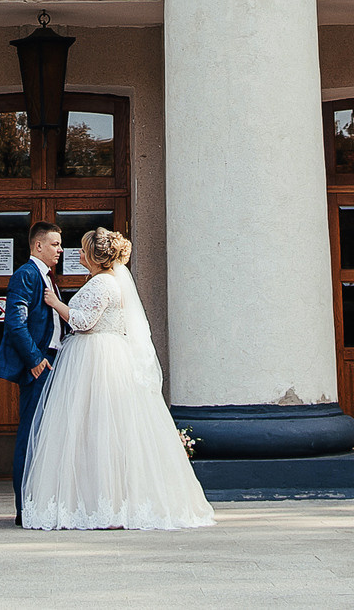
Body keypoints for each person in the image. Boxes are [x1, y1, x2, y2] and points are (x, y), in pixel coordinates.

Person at [20, 227, 215, 531]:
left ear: (96, 257)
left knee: (97, 430)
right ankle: (97, 502)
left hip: (97, 358)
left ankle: (105, 505)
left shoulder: (103, 284)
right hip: (99, 356)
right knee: (93, 431)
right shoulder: (104, 281)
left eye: (84, 250)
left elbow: (84, 322)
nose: (79, 254)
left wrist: (56, 304)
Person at [0, 220, 63, 520]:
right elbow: (15, 323)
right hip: (39, 365)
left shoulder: (48, 277)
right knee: (30, 434)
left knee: (45, 435)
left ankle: (40, 502)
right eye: (54, 244)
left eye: (60, 245)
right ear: (38, 246)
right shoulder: (26, 275)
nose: (60, 250)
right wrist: (35, 360)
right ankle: (25, 508)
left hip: (53, 362)